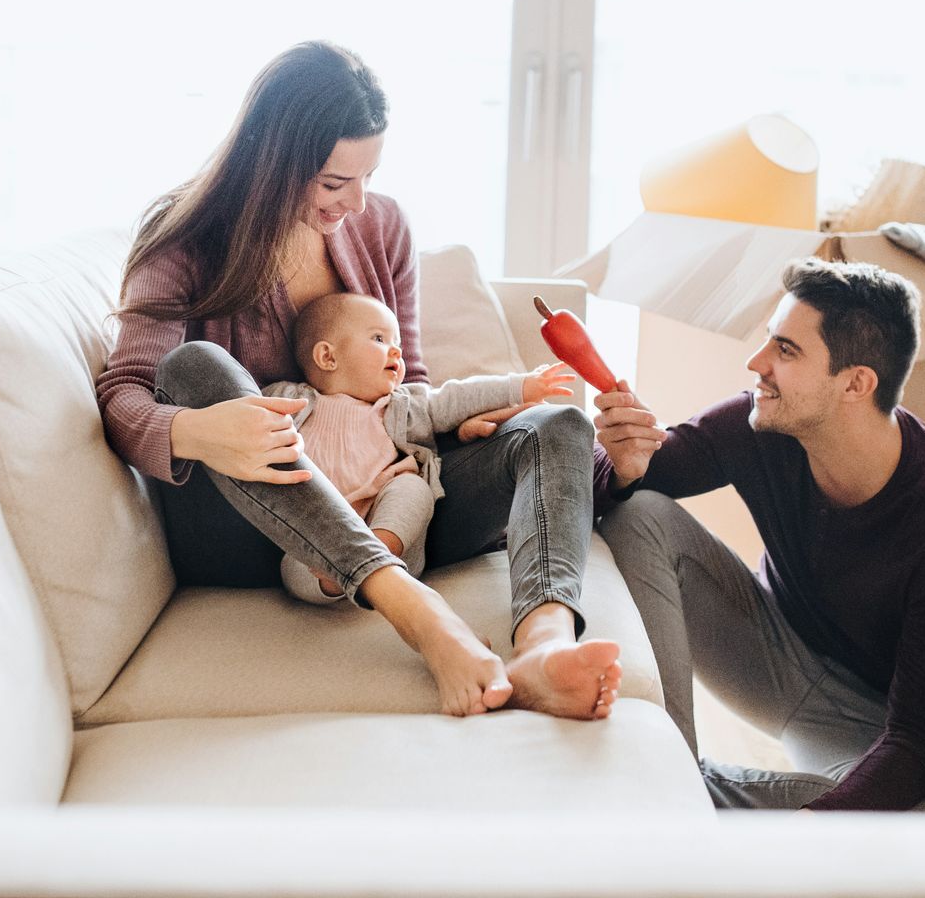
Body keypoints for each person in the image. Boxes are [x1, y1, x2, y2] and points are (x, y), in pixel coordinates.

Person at [95, 41, 621, 720]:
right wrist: (199, 429)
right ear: (267, 161)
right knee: (193, 369)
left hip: (389, 500)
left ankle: (543, 648)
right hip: (257, 526)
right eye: (333, 183)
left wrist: (459, 427)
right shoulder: (183, 237)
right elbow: (125, 395)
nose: (356, 202)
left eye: (367, 177)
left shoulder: (382, 227)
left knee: (558, 423)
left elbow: (410, 383)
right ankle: (417, 612)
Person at [591, 258, 925, 810]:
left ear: (856, 383)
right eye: (768, 341)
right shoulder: (759, 422)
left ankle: (699, 797)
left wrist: (813, 826)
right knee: (638, 510)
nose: (756, 363)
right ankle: (673, 774)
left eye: (785, 350)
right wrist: (619, 464)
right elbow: (629, 476)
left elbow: (919, 740)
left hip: (871, 717)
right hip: (768, 649)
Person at [264, 292, 576, 606]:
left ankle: (379, 551)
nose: (397, 350)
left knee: (412, 487)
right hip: (319, 529)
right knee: (294, 567)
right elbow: (242, 412)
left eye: (396, 340)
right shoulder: (288, 401)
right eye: (379, 338)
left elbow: (456, 396)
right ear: (327, 357)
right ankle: (335, 581)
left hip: (386, 517)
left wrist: (520, 386)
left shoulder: (403, 405)